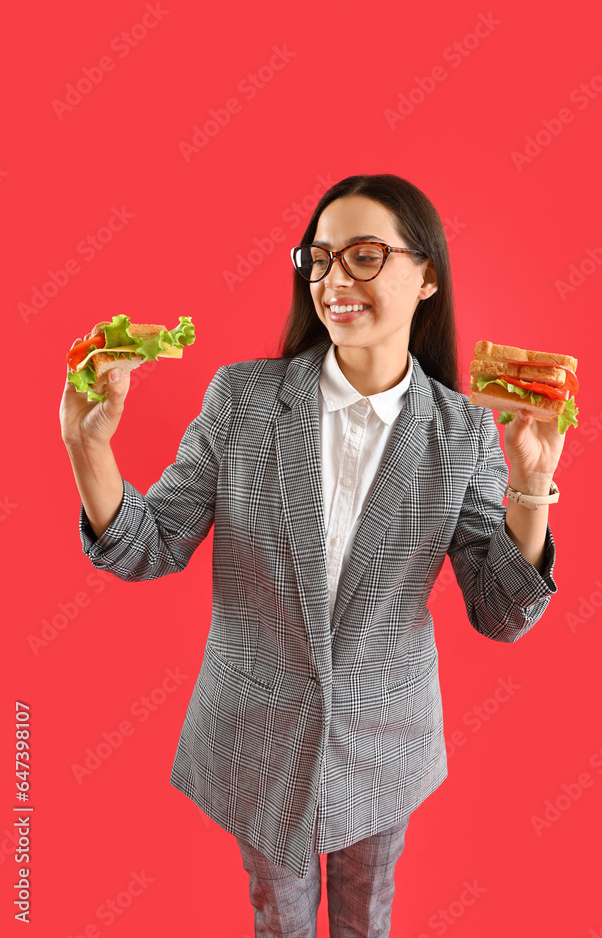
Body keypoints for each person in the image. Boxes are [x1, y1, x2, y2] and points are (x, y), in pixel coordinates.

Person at [60, 173, 566, 938]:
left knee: (366, 921)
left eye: (365, 256)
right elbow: (148, 546)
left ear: (426, 275)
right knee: (280, 924)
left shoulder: (463, 431)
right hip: (256, 736)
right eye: (320, 259)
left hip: (386, 743)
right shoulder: (242, 400)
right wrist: (87, 446)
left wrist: (531, 484)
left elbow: (499, 613)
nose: (335, 280)